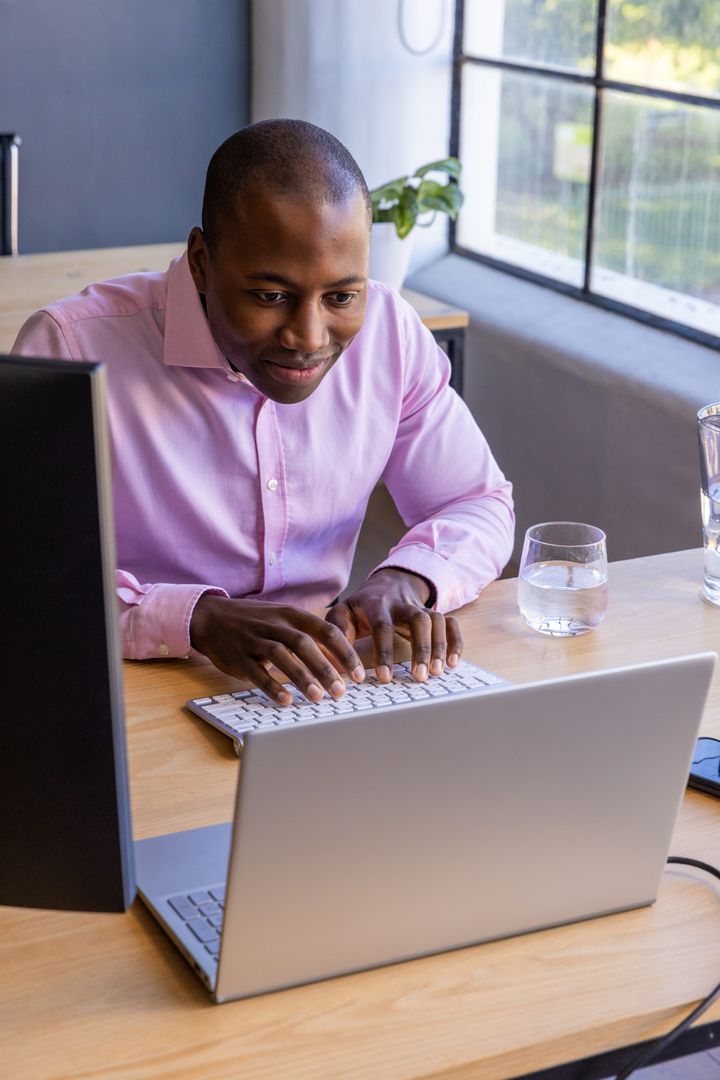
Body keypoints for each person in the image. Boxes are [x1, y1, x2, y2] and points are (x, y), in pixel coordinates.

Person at [12, 119, 514, 706]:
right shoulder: (71, 348)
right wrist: (197, 618)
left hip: (317, 685)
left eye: (341, 296)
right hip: (127, 688)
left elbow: (475, 501)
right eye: (270, 296)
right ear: (201, 261)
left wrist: (407, 576)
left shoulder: (392, 335)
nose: (308, 336)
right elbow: (22, 577)